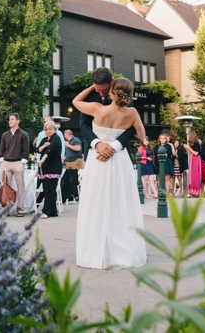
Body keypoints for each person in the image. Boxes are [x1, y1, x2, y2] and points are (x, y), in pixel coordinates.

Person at [73, 77, 147, 269]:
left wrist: (91, 86)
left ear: (112, 90)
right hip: (119, 161)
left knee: (96, 202)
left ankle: (96, 252)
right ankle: (123, 252)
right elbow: (141, 135)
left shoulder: (97, 108)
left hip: (99, 161)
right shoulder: (132, 112)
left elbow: (75, 101)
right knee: (122, 203)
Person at [79, 67, 136, 163]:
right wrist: (97, 144)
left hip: (119, 153)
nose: (101, 94)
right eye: (98, 90)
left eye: (105, 90)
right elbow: (84, 125)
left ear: (112, 81)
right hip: (94, 152)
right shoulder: (87, 96)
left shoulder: (124, 96)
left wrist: (115, 146)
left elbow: (132, 126)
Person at [0, 113, 30, 217]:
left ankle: (20, 210)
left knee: (20, 187)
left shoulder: (23, 134)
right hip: (6, 163)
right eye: (9, 119)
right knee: (5, 187)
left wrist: (23, 162)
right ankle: (6, 209)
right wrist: (2, 161)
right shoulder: (5, 135)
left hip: (18, 162)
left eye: (12, 119)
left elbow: (26, 150)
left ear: (17, 121)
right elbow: (2, 149)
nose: (10, 121)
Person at [37, 120, 63, 219]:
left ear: (54, 129)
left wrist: (43, 159)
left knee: (50, 190)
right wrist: (44, 145)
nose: (48, 131)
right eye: (46, 129)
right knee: (46, 190)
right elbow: (38, 149)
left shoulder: (56, 138)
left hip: (53, 167)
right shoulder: (44, 139)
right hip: (45, 168)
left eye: (50, 129)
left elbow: (50, 150)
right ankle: (53, 211)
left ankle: (46, 211)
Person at [61, 129, 82, 202]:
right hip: (69, 162)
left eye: (64, 135)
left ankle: (76, 195)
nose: (64, 136)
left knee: (73, 179)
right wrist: (66, 157)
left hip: (75, 161)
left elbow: (78, 148)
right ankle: (69, 195)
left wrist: (68, 145)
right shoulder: (68, 142)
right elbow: (70, 151)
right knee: (67, 179)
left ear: (68, 134)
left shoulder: (75, 140)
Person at [186, 131, 202, 198]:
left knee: (195, 175)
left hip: (196, 160)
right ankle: (192, 192)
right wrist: (187, 149)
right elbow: (191, 153)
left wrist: (189, 148)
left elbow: (196, 153)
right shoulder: (192, 144)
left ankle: (196, 192)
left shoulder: (196, 143)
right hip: (192, 159)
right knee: (192, 175)